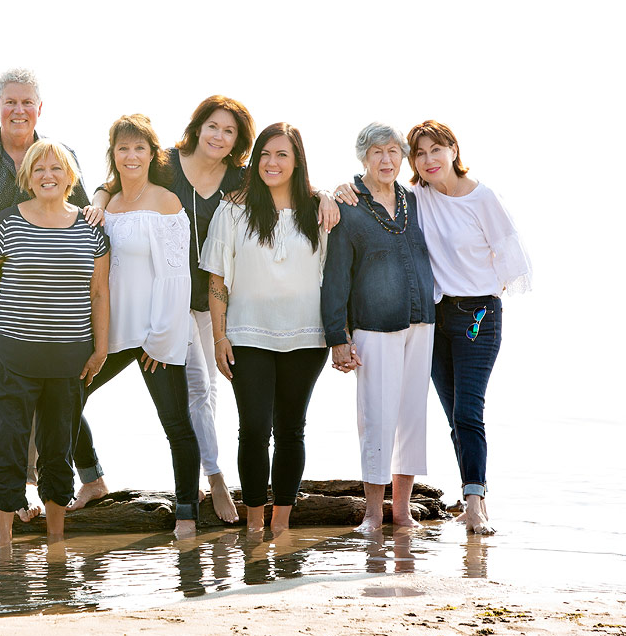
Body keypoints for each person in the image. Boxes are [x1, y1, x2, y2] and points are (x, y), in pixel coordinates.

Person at [85, 97, 340, 521]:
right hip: (171, 300)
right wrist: (96, 197)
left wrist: (329, 192)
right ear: (198, 127)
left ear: (238, 142)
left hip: (220, 303)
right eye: (213, 127)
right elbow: (117, 180)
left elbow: (287, 181)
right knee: (198, 389)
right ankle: (216, 480)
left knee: (211, 393)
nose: (219, 137)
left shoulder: (240, 177)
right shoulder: (166, 163)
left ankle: (218, 483)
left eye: (229, 132)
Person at [0, 68, 108, 533]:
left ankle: (27, 488)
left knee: (41, 401)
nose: (19, 110)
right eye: (10, 102)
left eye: (27, 102)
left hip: (47, 310)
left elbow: (83, 210)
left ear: (40, 108)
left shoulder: (55, 157)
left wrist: (96, 209)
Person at [339, 121, 530, 535]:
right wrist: (332, 192)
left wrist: (484, 289)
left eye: (436, 151)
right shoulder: (417, 198)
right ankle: (463, 497)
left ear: (453, 151)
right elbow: (373, 191)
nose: (428, 160)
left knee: (467, 410)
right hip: (434, 319)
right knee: (450, 415)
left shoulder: (483, 198)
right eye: (420, 153)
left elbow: (513, 260)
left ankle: (476, 503)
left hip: (478, 316)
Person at [0, 140, 110, 545]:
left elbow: (100, 293)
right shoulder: (8, 223)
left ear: (70, 177)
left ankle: (56, 542)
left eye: (56, 169)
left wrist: (101, 348)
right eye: (39, 169)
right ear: (27, 177)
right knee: (7, 446)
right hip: (12, 354)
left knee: (58, 448)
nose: (48, 175)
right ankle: (4, 541)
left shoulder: (91, 228)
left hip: (70, 358)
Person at [72, 113, 201, 538]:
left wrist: (161, 339)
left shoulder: (166, 202)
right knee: (63, 398)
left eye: (139, 148)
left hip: (153, 334)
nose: (131, 156)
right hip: (111, 333)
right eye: (123, 148)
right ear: (114, 154)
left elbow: (175, 276)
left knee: (176, 424)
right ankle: (92, 480)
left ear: (151, 154)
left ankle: (186, 511)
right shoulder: (106, 204)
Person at [199, 122, 328, 534]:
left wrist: (331, 196)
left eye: (282, 155)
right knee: (254, 429)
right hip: (247, 335)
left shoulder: (318, 211)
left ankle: (281, 524)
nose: (272, 163)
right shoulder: (234, 209)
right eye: (265, 155)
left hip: (308, 336)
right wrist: (220, 336)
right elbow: (217, 280)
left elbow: (334, 275)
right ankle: (254, 522)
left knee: (292, 429)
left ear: (297, 161)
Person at [321, 122, 436, 533]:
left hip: (421, 322)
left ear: (402, 157)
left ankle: (401, 511)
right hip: (374, 326)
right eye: (376, 153)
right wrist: (338, 337)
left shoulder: (415, 200)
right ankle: (373, 512)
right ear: (363, 158)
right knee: (376, 419)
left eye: (393, 152)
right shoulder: (348, 207)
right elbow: (335, 277)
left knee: (412, 418)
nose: (386, 160)